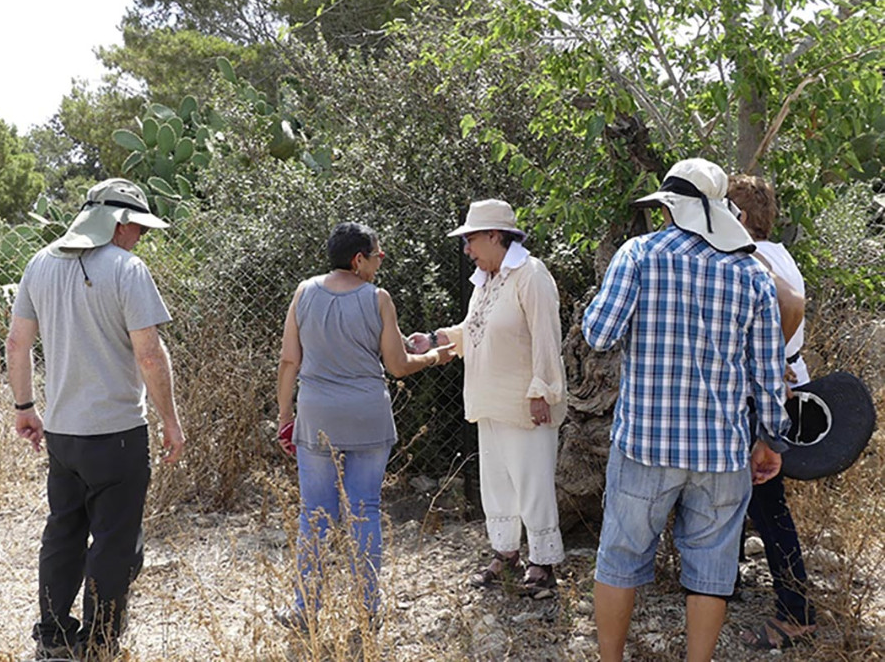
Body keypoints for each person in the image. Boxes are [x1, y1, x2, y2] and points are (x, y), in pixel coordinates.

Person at [581, 158, 791, 662]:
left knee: (618, 561)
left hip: (645, 444)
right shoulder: (750, 274)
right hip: (721, 451)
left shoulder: (639, 255)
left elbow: (599, 334)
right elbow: (767, 371)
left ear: (670, 207)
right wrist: (770, 439)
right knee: (712, 573)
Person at [5, 178, 185, 661]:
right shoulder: (128, 269)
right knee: (115, 541)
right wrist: (170, 419)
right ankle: (100, 644)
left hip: (63, 433)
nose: (141, 236)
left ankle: (53, 637)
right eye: (138, 227)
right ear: (117, 223)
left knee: (63, 530)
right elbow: (149, 355)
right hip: (118, 433)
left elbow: (17, 344)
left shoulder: (39, 263)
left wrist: (26, 407)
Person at [275, 222, 455, 631]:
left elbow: (289, 360)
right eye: (377, 254)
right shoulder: (378, 299)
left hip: (317, 415)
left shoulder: (304, 292)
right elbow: (397, 366)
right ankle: (368, 607)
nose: (381, 260)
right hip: (368, 415)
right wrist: (435, 358)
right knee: (365, 509)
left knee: (315, 514)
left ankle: (305, 609)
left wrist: (286, 416)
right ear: (359, 260)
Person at [410, 199, 567, 595]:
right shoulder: (487, 281)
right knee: (497, 482)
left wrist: (542, 391)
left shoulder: (531, 275)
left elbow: (547, 337)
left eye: (471, 239)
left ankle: (543, 564)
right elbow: (474, 329)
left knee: (531, 482)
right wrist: (435, 339)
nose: (467, 249)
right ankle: (505, 553)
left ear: (495, 236)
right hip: (489, 399)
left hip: (524, 402)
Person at [728, 174, 817, 650]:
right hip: (782, 384)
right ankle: (727, 584)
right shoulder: (780, 254)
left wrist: (769, 370)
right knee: (747, 498)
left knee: (767, 505)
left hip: (764, 394)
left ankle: (796, 614)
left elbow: (791, 308)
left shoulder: (754, 258)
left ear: (738, 217)